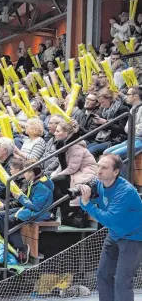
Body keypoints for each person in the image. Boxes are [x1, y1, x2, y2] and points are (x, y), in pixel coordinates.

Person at [79, 153, 142, 301]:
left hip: (133, 237)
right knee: (103, 274)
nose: (99, 170)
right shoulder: (100, 184)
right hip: (114, 234)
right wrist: (85, 198)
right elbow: (85, 204)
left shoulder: (125, 191)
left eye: (104, 168)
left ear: (116, 172)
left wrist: (88, 204)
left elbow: (109, 219)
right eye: (98, 166)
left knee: (122, 281)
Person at [104, 86, 142, 158]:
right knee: (106, 152)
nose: (126, 96)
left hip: (140, 141)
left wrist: (132, 128)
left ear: (135, 96)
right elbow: (126, 129)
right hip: (131, 139)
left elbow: (140, 131)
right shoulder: (132, 109)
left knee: (113, 155)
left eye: (128, 94)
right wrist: (134, 127)